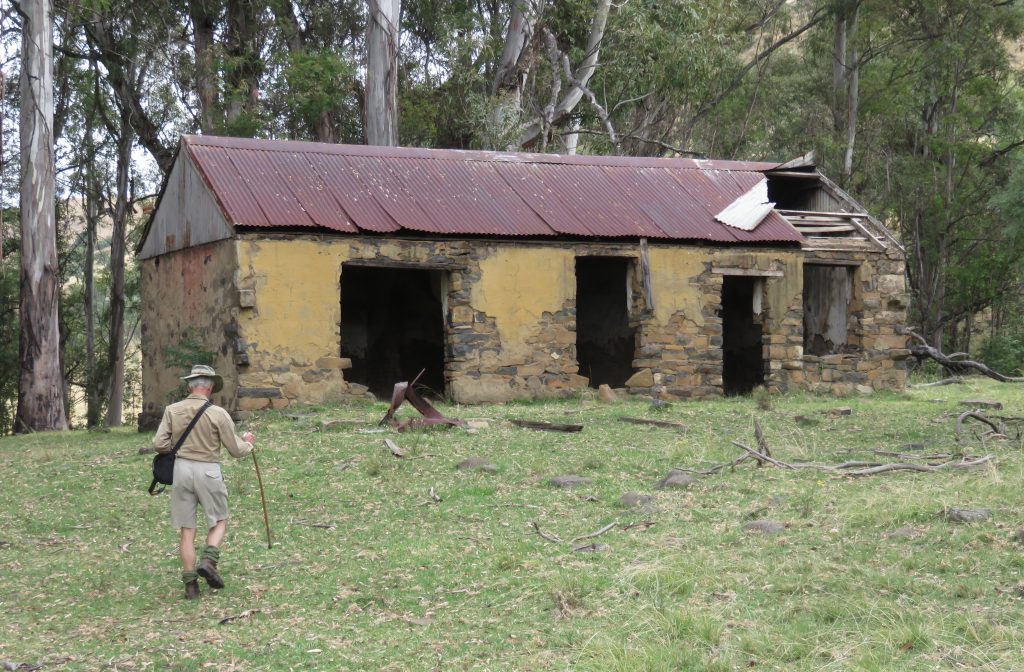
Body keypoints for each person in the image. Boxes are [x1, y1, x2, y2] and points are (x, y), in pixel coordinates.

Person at [153, 364, 256, 600]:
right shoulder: (218, 414)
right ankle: (209, 561)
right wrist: (248, 442)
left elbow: (159, 444)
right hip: (209, 470)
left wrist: (180, 448)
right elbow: (235, 450)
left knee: (187, 530)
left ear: (190, 386)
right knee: (219, 520)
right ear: (210, 389)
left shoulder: (172, 410)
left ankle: (190, 586)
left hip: (181, 470)